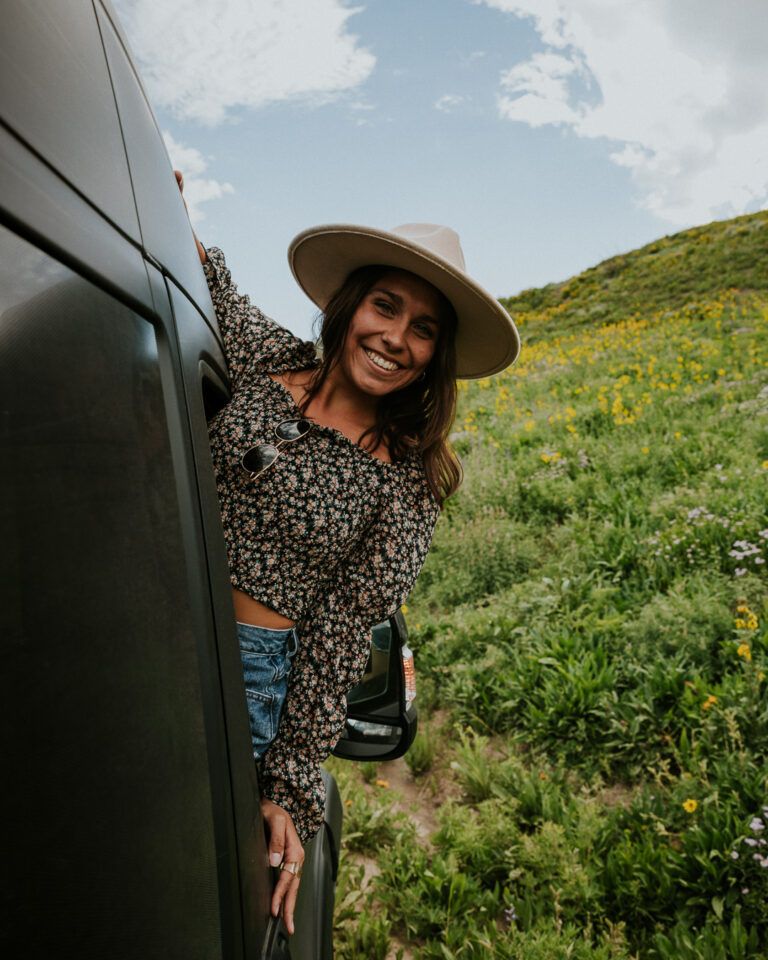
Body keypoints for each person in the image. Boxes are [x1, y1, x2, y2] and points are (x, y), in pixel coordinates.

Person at [177, 172, 520, 932]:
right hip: (153, 611)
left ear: (436, 354)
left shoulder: (407, 482)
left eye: (424, 328)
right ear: (349, 307)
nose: (396, 338)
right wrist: (162, 195)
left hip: (244, 673)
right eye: (385, 306)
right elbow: (210, 288)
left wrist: (291, 789)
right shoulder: (269, 361)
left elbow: (338, 637)